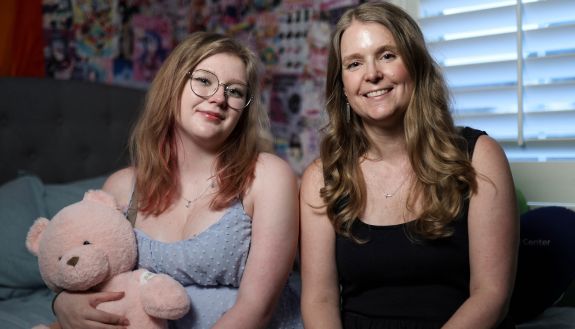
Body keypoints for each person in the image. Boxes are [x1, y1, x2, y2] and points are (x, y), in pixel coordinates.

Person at [53, 31, 303, 329]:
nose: (219, 98)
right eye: (204, 80)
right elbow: (87, 270)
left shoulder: (268, 176)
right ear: (173, 86)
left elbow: (256, 310)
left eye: (235, 91)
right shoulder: (121, 188)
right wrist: (61, 303)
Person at [299, 2, 518, 329]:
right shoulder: (322, 177)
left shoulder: (479, 156)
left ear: (415, 64)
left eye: (387, 55)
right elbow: (319, 299)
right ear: (342, 87)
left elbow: (491, 295)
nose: (372, 74)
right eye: (354, 63)